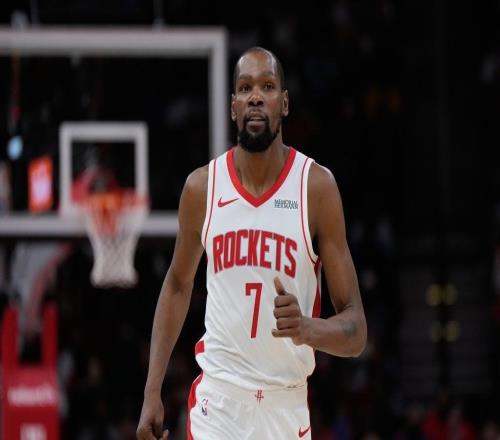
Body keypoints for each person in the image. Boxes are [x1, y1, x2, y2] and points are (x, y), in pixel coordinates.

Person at [136, 46, 367, 440]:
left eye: (267, 86)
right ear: (233, 107)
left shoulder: (316, 188)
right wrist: (151, 391)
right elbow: (177, 284)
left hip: (285, 406)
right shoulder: (202, 188)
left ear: (285, 103)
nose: (255, 96)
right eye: (245, 88)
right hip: (219, 404)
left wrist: (307, 328)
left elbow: (356, 330)